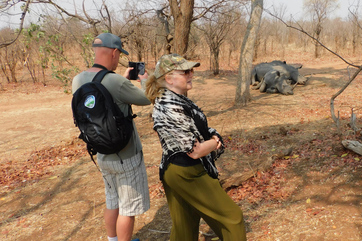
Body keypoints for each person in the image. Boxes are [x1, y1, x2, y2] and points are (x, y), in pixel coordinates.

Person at [144, 53, 246, 241]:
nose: (192, 74)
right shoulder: (168, 105)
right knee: (233, 219)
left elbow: (200, 130)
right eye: (185, 71)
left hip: (178, 170)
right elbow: (195, 150)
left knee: (184, 229)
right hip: (187, 172)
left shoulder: (178, 99)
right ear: (169, 78)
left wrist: (210, 137)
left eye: (191, 70)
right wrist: (215, 142)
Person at [72, 33, 151, 241]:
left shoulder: (78, 79)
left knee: (112, 201)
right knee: (128, 209)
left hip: (101, 153)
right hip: (126, 155)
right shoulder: (115, 81)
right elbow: (146, 98)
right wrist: (144, 80)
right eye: (119, 54)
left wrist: (121, 81)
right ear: (114, 52)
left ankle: (112, 240)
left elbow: (101, 101)